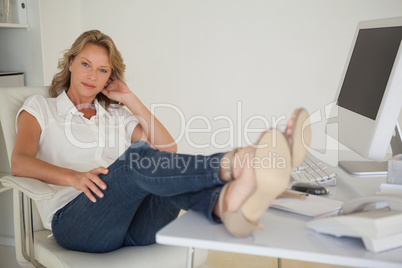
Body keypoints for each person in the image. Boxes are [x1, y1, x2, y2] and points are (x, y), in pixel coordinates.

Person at [11, 30, 310, 253]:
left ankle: (225, 204)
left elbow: (168, 150)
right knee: (137, 159)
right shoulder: (41, 108)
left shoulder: (115, 113)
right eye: (86, 64)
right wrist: (75, 178)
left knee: (156, 166)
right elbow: (19, 162)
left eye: (102, 70)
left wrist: (129, 98)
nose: (92, 76)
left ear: (109, 78)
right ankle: (231, 165)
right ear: (71, 63)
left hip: (134, 228)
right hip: (76, 222)